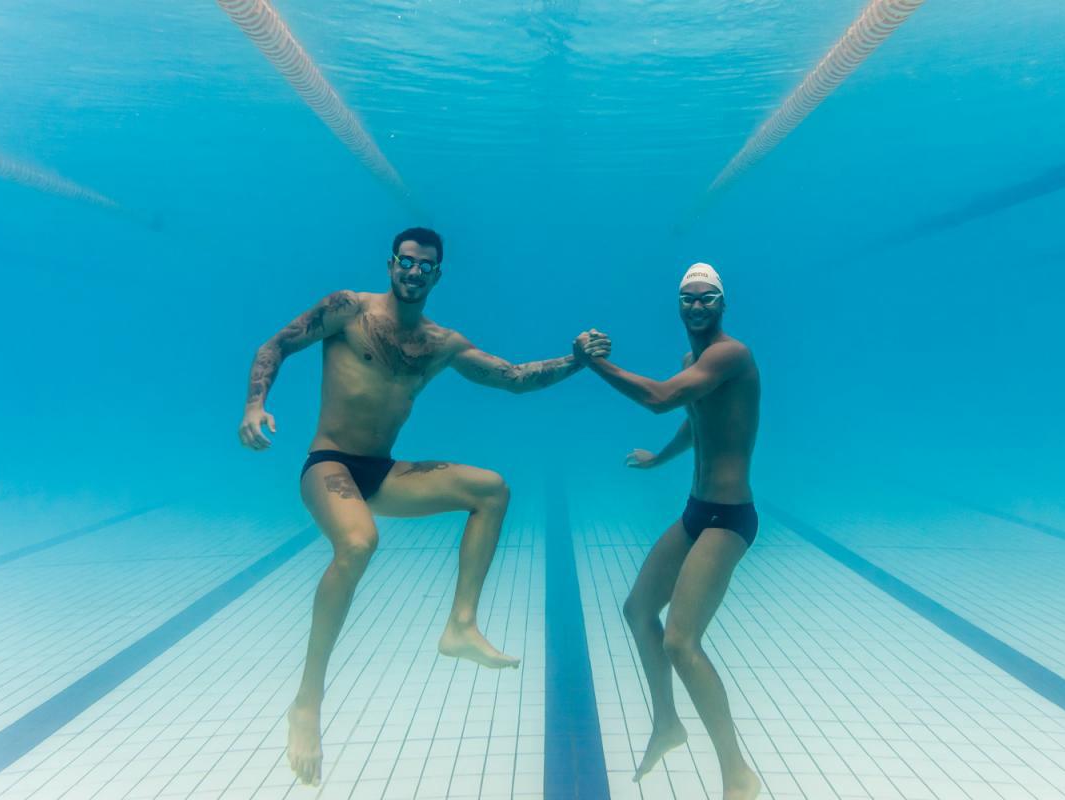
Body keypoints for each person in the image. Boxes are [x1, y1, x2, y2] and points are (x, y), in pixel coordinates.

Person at [238, 227, 609, 786]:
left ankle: (460, 625)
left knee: (491, 488)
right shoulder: (347, 308)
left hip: (382, 472)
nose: (413, 273)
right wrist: (254, 404)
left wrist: (577, 359)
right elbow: (277, 345)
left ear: (437, 275)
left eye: (424, 266)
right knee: (360, 542)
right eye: (405, 262)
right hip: (329, 465)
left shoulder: (442, 344)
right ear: (391, 264)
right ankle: (307, 703)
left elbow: (512, 379)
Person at [576, 263, 762, 800]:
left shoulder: (732, 354)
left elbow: (660, 399)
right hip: (696, 511)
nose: (698, 307)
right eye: (689, 299)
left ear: (722, 304)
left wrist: (595, 364)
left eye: (707, 299)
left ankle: (737, 773)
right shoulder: (695, 362)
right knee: (637, 610)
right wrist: (661, 460)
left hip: (729, 519)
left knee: (681, 641)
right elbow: (693, 417)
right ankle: (667, 723)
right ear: (679, 305)